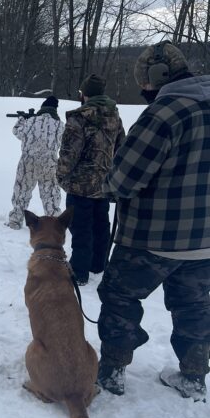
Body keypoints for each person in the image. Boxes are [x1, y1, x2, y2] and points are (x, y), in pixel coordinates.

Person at [96, 41, 210, 401]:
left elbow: (124, 179)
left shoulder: (163, 114)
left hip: (149, 239)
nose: (143, 89)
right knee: (194, 306)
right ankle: (193, 377)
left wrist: (107, 187)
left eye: (144, 82)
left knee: (119, 298)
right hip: (204, 241)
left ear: (157, 77)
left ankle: (112, 372)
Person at [56, 74, 125, 285]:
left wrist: (61, 175)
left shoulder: (79, 118)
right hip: (104, 185)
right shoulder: (114, 116)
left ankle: (79, 272)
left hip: (80, 186)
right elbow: (121, 148)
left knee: (81, 229)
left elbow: (69, 153)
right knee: (100, 226)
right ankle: (98, 265)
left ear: (84, 94)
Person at [6, 96, 64, 229]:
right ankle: (54, 224)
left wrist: (22, 119)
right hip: (49, 164)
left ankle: (15, 221)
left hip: (28, 162)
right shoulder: (60, 125)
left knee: (21, 192)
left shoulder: (31, 121)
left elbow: (17, 131)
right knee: (51, 195)